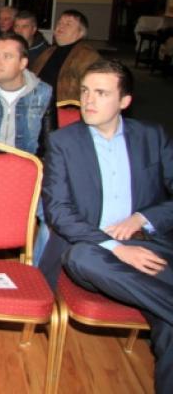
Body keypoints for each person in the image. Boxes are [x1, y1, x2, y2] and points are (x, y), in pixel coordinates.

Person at [38, 60, 173, 393]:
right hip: (95, 252)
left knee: (170, 328)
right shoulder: (63, 142)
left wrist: (143, 218)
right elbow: (59, 212)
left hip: (151, 245)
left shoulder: (152, 137)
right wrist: (118, 248)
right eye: (85, 91)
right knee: (82, 256)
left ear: (124, 101)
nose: (88, 101)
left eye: (101, 93)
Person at [31, 9, 101, 101]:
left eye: (68, 24)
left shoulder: (87, 57)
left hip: (65, 109)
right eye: (59, 23)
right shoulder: (48, 52)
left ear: (81, 33)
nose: (61, 26)